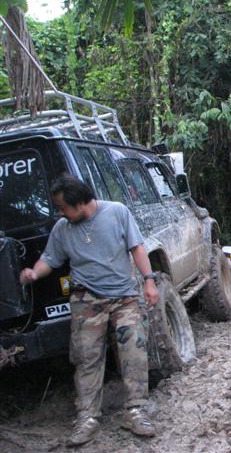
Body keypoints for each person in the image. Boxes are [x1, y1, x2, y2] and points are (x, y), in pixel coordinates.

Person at [19, 175, 159, 446]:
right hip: (87, 300)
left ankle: (135, 411)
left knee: (134, 350)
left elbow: (137, 247)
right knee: (86, 357)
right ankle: (87, 418)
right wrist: (34, 273)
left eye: (63, 207)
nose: (60, 213)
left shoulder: (117, 212)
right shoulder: (62, 228)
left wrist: (149, 281)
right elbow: (50, 258)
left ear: (80, 202)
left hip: (124, 297)